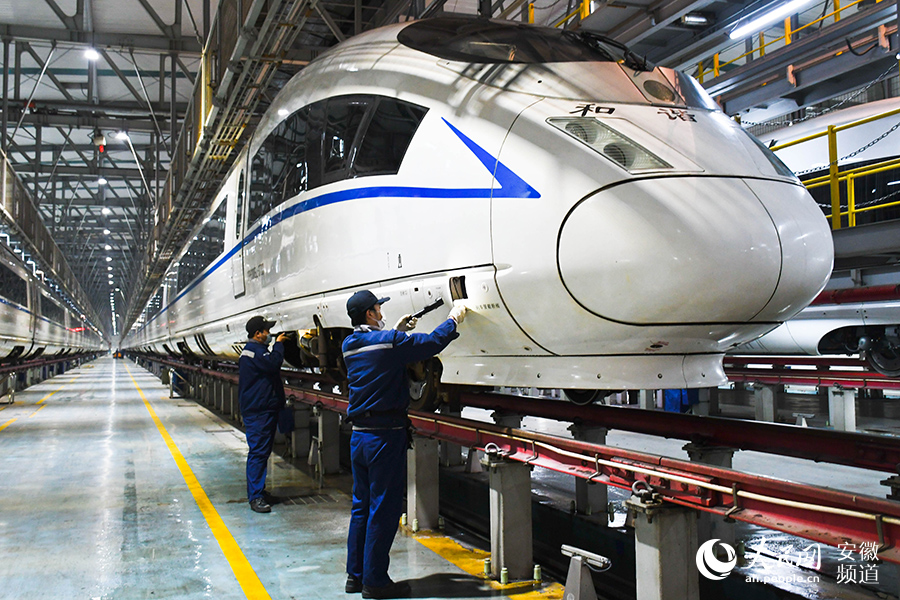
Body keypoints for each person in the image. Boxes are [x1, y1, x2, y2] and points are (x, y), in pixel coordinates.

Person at [342, 290, 466, 599]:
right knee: (384, 508)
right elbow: (432, 343)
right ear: (370, 315)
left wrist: (394, 332)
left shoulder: (348, 345)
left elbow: (378, 356)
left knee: (362, 507)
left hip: (359, 436)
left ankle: (355, 577)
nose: (380, 311)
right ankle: (375, 582)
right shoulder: (388, 343)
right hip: (384, 436)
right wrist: (453, 318)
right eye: (377, 308)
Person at [239, 315, 289, 513]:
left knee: (261, 452)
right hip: (258, 411)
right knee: (258, 453)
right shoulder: (255, 352)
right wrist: (278, 345)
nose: (269, 334)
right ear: (257, 334)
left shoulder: (254, 351)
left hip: (262, 409)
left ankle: (259, 491)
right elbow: (273, 363)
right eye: (266, 331)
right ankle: (256, 497)